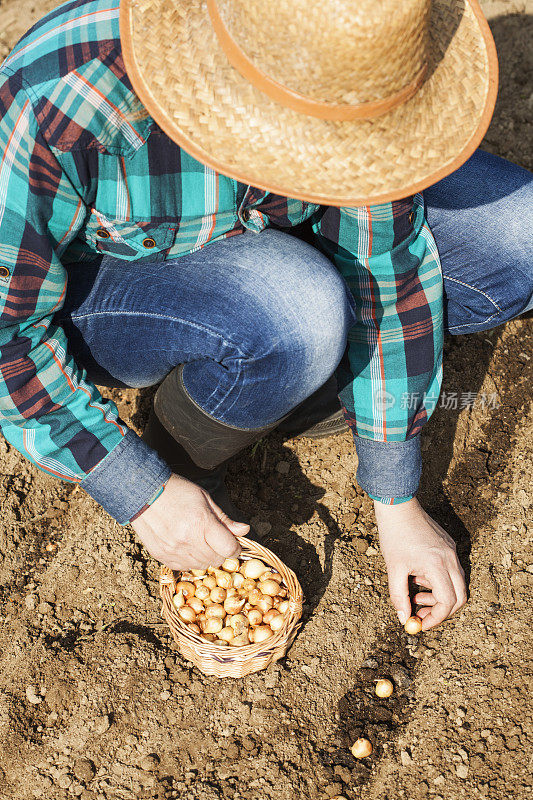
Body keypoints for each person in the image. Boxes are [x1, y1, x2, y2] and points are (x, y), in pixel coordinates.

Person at [0, 0, 531, 632]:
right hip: (101, 287)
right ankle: (195, 442)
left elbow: (388, 263)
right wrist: (139, 488)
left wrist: (397, 500)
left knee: (518, 238)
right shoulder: (60, 98)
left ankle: (303, 376)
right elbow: (7, 335)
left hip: (265, 235)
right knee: (298, 309)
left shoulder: (350, 68)